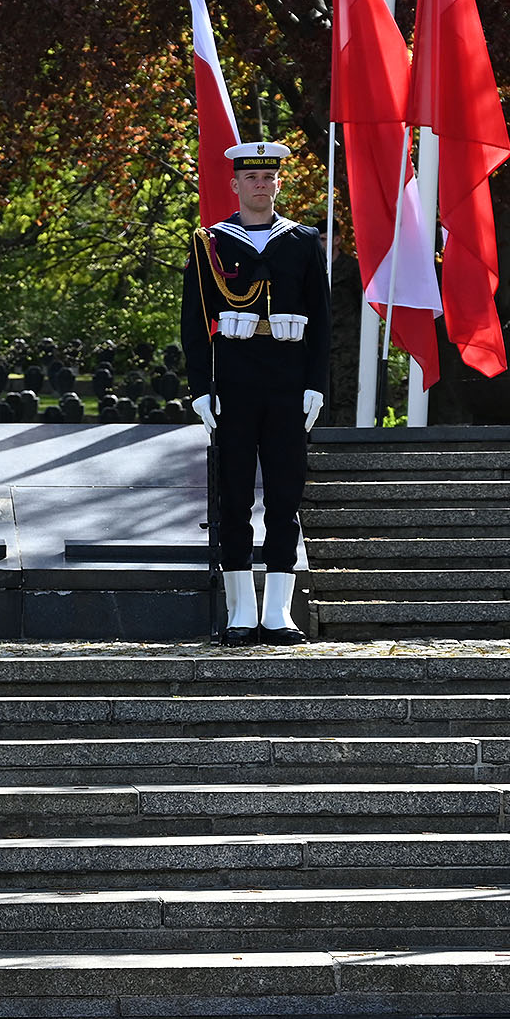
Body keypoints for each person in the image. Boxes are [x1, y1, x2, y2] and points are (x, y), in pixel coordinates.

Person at [180, 140, 330, 646]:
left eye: (269, 177)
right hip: (236, 381)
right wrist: (201, 387)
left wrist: (315, 384)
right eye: (251, 178)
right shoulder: (211, 244)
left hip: (288, 381)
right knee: (236, 497)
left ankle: (278, 613)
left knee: (285, 497)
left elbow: (323, 322)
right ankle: (240, 611)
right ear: (234, 184)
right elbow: (195, 322)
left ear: (279, 183)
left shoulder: (304, 240)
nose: (260, 185)